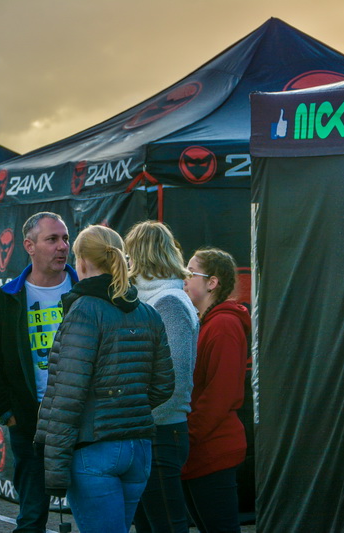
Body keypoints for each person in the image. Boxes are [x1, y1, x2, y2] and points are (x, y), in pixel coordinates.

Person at [34, 224, 175, 533]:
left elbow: (67, 396)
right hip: (137, 448)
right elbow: (164, 385)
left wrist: (54, 468)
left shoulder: (85, 310)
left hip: (95, 450)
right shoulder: (147, 313)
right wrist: (125, 407)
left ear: (83, 261)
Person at [0, 211, 77, 533]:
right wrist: (8, 413)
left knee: (96, 511)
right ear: (29, 246)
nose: (62, 246)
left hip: (83, 418)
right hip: (30, 422)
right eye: (52, 239)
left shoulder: (85, 292)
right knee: (31, 516)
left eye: (65, 238)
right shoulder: (5, 300)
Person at [125, 221, 199, 533]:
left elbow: (175, 382)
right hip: (149, 431)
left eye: (129, 254)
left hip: (161, 432)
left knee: (167, 526)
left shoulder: (168, 302)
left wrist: (137, 419)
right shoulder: (151, 299)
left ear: (140, 255)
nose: (126, 262)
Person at [181, 247, 251, 533]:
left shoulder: (224, 325)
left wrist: (187, 435)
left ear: (212, 282)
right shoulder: (205, 323)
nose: (184, 278)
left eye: (190, 272)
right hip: (198, 450)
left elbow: (219, 395)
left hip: (212, 449)